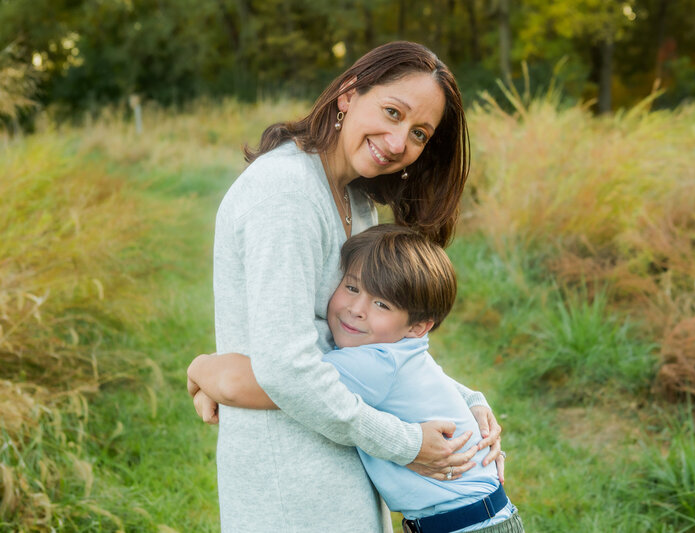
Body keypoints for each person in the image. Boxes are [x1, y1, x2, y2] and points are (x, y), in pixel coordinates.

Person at [187, 41, 504, 532]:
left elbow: (373, 351)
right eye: (392, 112)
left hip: (340, 461)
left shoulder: (356, 200)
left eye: (418, 134)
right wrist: (407, 444)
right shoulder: (287, 193)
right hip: (290, 482)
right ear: (349, 94)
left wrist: (467, 402)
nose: (398, 142)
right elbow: (288, 369)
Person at [189, 225, 524, 533]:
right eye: (351, 287)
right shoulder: (401, 350)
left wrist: (200, 368)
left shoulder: (373, 363)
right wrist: (474, 399)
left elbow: (249, 384)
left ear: (418, 326)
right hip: (478, 519)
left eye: (381, 304)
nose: (356, 308)